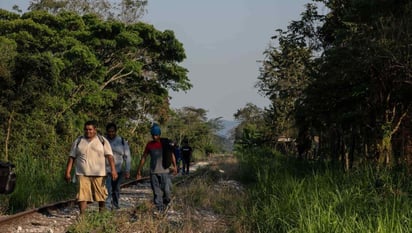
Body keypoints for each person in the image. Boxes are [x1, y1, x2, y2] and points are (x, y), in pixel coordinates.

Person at [65, 120, 118, 215]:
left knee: (101, 196)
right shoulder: (78, 141)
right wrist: (68, 172)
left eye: (90, 129)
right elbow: (72, 157)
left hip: (99, 174)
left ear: (95, 130)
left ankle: (101, 214)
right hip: (82, 173)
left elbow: (110, 156)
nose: (88, 131)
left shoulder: (102, 141)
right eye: (86, 129)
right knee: (82, 196)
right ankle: (82, 216)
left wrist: (113, 170)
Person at [136, 123, 177, 213]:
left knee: (167, 191)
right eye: (153, 135)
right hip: (153, 172)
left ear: (159, 134)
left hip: (165, 171)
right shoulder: (149, 145)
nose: (155, 137)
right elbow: (144, 157)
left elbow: (172, 155)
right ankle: (159, 209)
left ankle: (166, 203)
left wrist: (175, 166)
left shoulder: (165, 144)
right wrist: (139, 170)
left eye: (156, 135)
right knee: (156, 192)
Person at [104, 122, 132, 210]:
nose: (111, 133)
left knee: (116, 189)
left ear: (115, 131)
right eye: (109, 131)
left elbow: (127, 157)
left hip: (118, 170)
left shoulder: (122, 141)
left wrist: (127, 170)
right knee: (108, 189)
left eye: (112, 131)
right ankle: (108, 207)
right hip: (106, 170)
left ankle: (116, 204)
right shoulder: (103, 141)